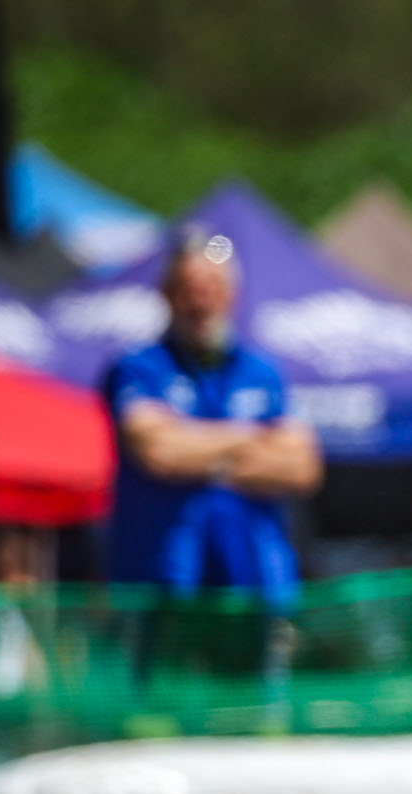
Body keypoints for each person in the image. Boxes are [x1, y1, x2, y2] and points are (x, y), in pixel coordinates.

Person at [102, 229, 320, 638]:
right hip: (162, 590)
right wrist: (255, 438)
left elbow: (302, 466)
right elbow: (159, 453)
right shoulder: (139, 368)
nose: (199, 301)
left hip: (256, 589)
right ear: (168, 296)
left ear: (231, 295)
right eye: (188, 289)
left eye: (210, 288)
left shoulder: (262, 372)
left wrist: (197, 451)